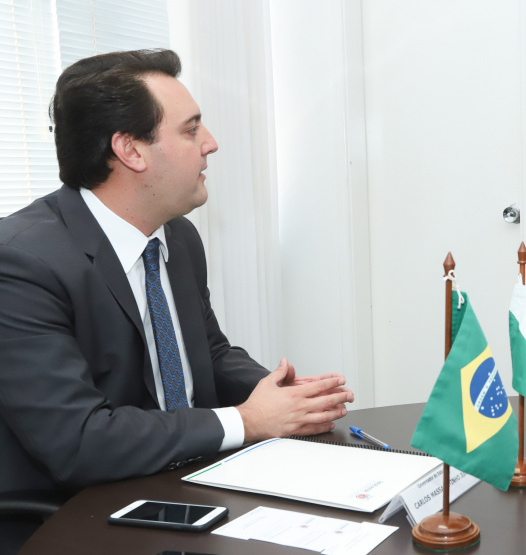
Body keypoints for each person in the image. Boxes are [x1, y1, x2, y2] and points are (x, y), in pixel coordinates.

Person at [0, 49, 353, 550]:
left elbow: (206, 352)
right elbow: (79, 441)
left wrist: (282, 397)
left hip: (184, 485)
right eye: (190, 130)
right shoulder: (21, 263)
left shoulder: (177, 237)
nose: (211, 143)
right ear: (131, 151)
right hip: (74, 517)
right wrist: (250, 420)